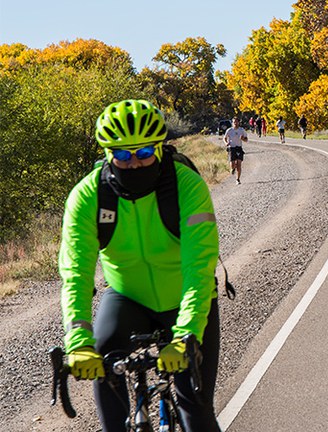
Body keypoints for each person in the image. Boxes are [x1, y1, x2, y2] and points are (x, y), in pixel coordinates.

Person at [58, 99, 222, 431]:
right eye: (121, 155)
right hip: (127, 296)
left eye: (145, 153)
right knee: (104, 360)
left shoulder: (186, 186)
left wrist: (187, 333)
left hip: (185, 297)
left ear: (160, 148)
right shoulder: (88, 196)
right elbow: (76, 272)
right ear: (107, 154)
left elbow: (199, 267)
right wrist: (78, 342)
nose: (133, 163)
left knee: (196, 410)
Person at [223, 117, 248, 184]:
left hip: (239, 148)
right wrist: (226, 143)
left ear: (239, 122)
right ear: (232, 123)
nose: (235, 123)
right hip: (232, 148)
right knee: (233, 164)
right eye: (234, 122)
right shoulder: (229, 130)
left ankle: (238, 179)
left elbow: (246, 140)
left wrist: (243, 139)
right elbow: (224, 138)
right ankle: (233, 168)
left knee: (239, 165)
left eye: (237, 122)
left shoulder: (242, 130)